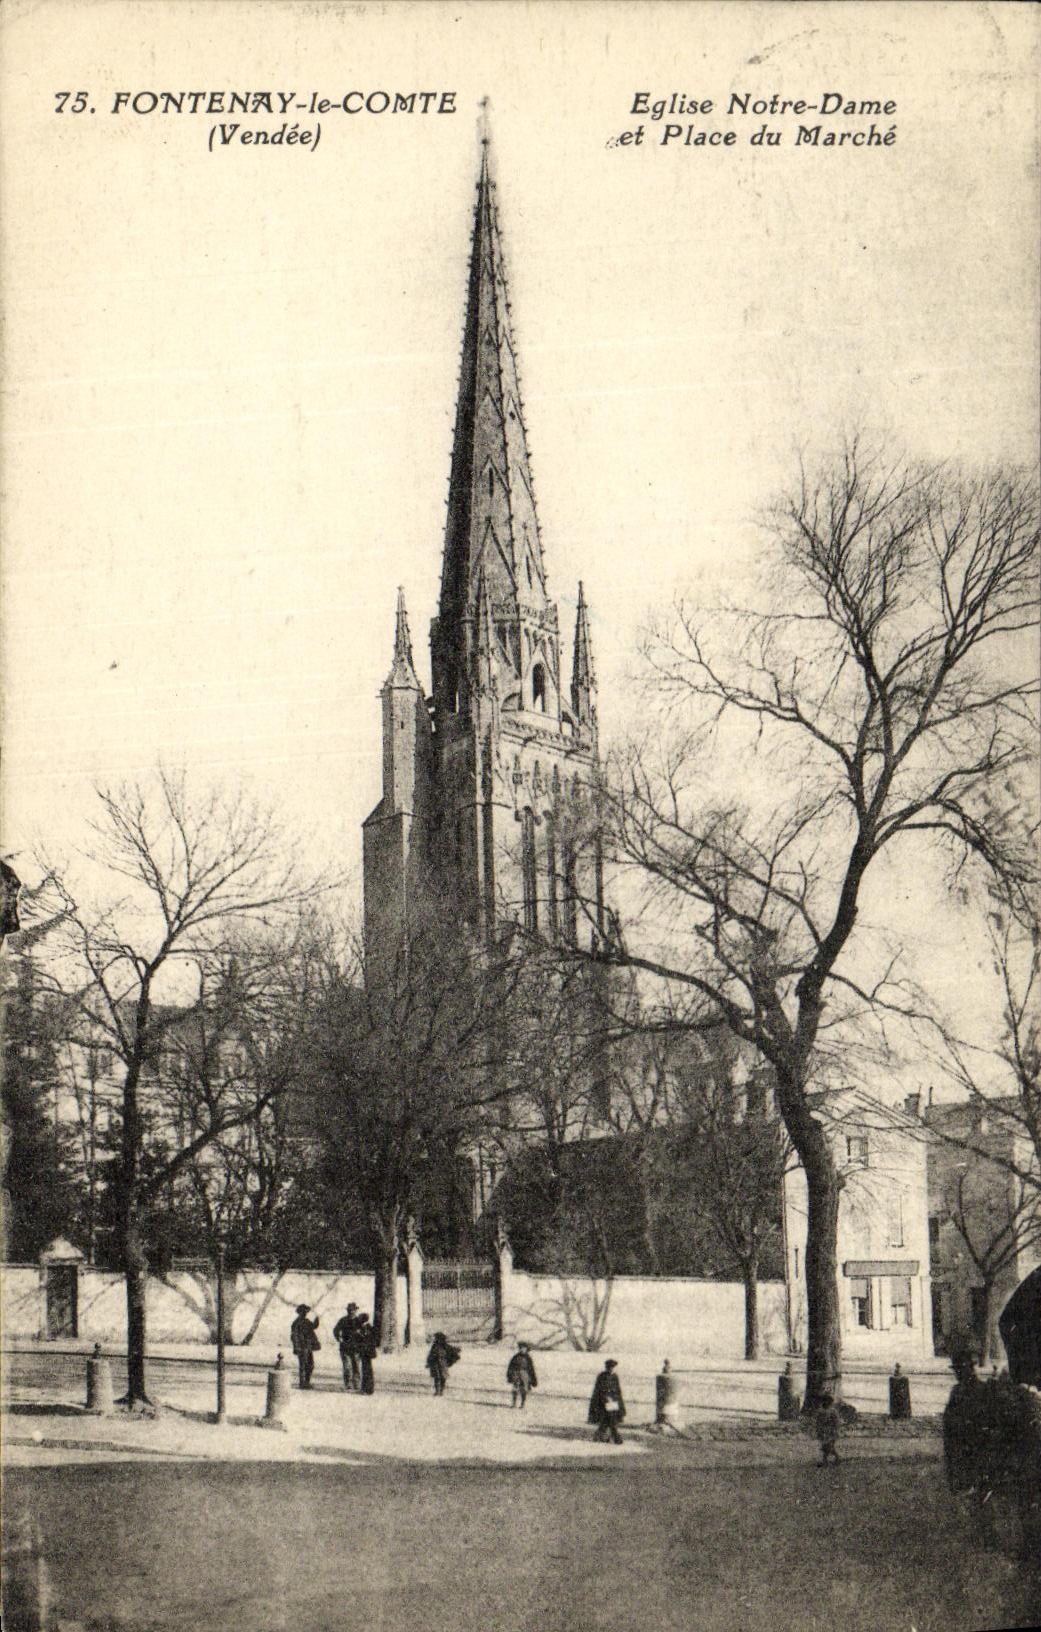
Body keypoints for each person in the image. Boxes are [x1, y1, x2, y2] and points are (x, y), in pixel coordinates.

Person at [588, 1358, 625, 1444]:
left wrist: (618, 1401)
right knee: (611, 1420)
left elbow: (617, 1390)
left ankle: (599, 1436)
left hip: (613, 1402)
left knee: (607, 1421)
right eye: (610, 1367)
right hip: (603, 1402)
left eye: (613, 1367)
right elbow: (599, 1390)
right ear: (607, 1367)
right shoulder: (602, 1376)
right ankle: (616, 1438)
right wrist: (605, 1398)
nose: (611, 1369)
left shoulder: (615, 1376)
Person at [289, 1304, 321, 1390]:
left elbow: (314, 1326)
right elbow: (294, 1336)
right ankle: (302, 1383)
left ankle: (306, 1382)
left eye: (306, 1312)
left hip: (308, 1347)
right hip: (302, 1347)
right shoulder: (296, 1323)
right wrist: (296, 1347)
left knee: (310, 1365)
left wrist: (317, 1319)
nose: (305, 1313)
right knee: (303, 1365)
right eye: (304, 1312)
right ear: (300, 1312)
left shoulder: (306, 1321)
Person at [332, 1303, 362, 1391]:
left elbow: (364, 1332)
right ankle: (348, 1384)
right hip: (345, 1348)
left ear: (356, 1310)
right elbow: (335, 1330)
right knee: (347, 1367)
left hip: (356, 1348)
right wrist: (339, 1338)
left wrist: (360, 1335)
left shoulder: (359, 1321)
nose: (351, 1312)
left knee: (356, 1366)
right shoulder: (343, 1320)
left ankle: (356, 1384)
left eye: (353, 1310)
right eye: (349, 1310)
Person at [426, 1331, 460, 1396]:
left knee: (442, 1378)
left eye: (436, 1338)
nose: (435, 1339)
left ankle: (441, 1390)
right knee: (437, 1378)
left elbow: (453, 1352)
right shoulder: (434, 1346)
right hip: (435, 1364)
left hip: (443, 1364)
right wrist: (429, 1362)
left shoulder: (445, 1346)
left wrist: (450, 1362)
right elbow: (430, 1355)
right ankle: (437, 1391)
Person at [506, 1342, 538, 1409]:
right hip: (516, 1374)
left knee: (523, 1390)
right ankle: (514, 1403)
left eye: (524, 1348)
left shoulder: (528, 1358)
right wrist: (509, 1375)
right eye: (520, 1348)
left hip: (525, 1375)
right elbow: (510, 1366)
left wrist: (533, 1379)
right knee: (515, 1389)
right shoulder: (515, 1357)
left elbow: (531, 1369)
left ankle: (522, 1403)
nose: (522, 1350)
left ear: (526, 1349)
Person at [814, 1392, 842, 1465]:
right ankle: (836, 1458)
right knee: (826, 1446)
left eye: (827, 1401)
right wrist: (818, 1429)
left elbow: (836, 1422)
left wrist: (835, 1430)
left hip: (830, 1431)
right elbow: (817, 1421)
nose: (825, 1403)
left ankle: (826, 1460)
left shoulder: (832, 1411)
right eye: (824, 1401)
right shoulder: (820, 1410)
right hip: (823, 1430)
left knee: (828, 1446)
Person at [356, 1312, 377, 1395]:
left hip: (366, 1352)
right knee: (366, 1370)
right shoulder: (368, 1327)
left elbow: (367, 1339)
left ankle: (367, 1389)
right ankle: (367, 1388)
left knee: (366, 1370)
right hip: (367, 1352)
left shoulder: (367, 1328)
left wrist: (360, 1335)